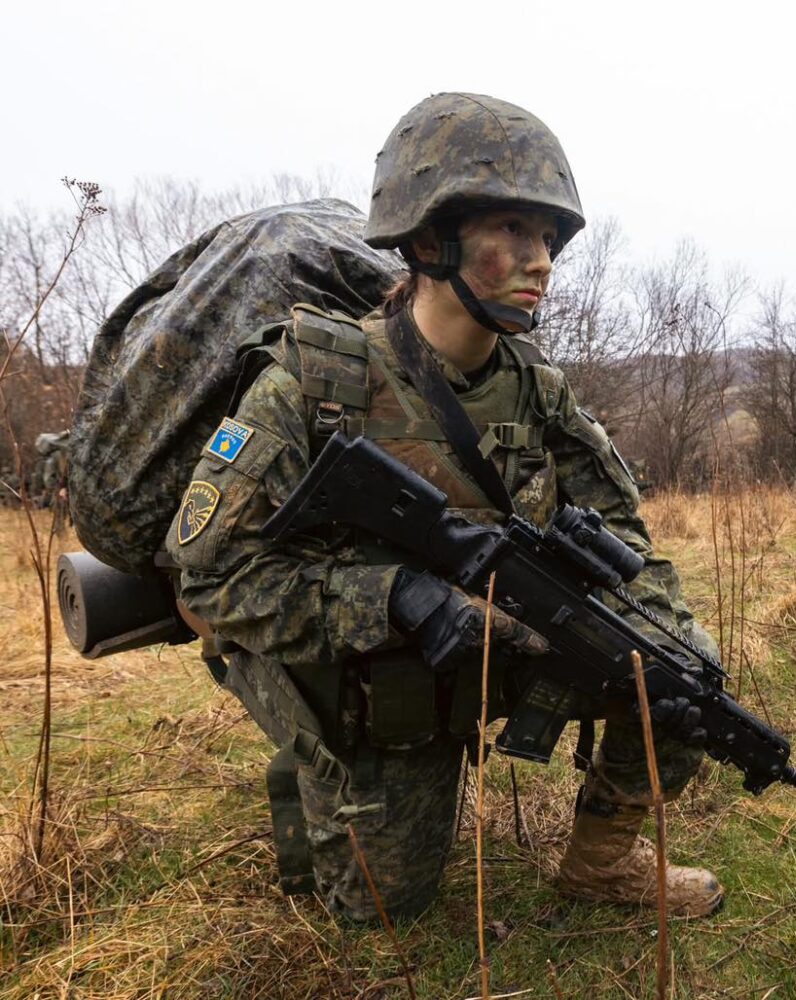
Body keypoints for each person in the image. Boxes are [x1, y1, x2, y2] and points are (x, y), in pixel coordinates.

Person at [167, 93, 723, 922]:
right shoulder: (318, 383)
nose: (541, 261)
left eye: (548, 240)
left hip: (499, 642)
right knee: (382, 915)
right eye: (511, 232)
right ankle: (314, 767)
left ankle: (599, 865)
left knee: (680, 667)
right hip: (376, 680)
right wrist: (397, 598)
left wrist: (658, 648)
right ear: (431, 240)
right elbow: (209, 579)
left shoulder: (538, 388)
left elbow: (624, 534)